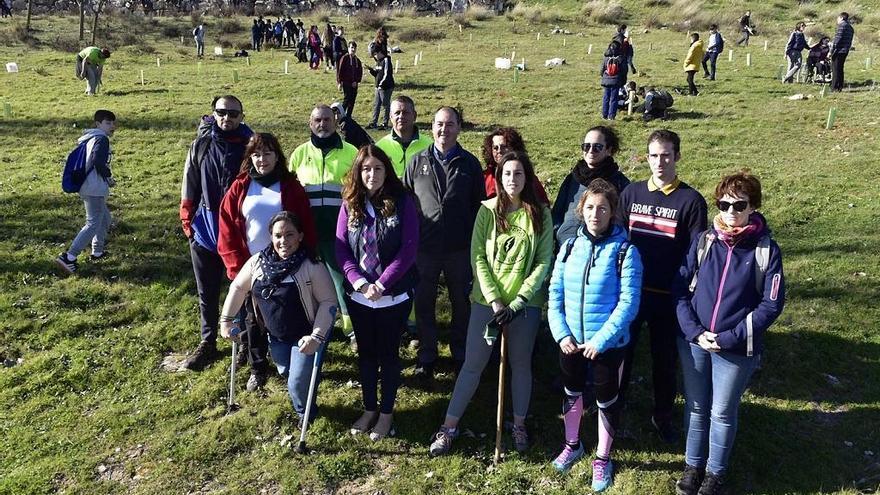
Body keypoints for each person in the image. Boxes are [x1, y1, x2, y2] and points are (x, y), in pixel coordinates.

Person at [429, 151, 553, 456]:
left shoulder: (541, 214)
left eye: (519, 174)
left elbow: (543, 261)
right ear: (499, 178)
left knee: (520, 365)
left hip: (525, 306)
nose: (513, 179)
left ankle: (519, 424)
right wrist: (496, 301)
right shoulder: (486, 212)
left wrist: (520, 300)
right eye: (507, 174)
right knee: (473, 364)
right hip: (488, 304)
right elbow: (478, 258)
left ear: (528, 178)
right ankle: (448, 426)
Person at [672, 172, 785, 495]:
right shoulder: (705, 241)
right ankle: (693, 467)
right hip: (695, 342)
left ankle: (714, 473)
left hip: (736, 349)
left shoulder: (766, 250)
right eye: (724, 204)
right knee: (695, 406)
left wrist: (729, 337)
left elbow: (771, 305)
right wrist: (694, 332)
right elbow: (679, 288)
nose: (731, 211)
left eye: (740, 205)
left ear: (753, 206)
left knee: (722, 411)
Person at [547, 179, 643, 492]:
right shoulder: (570, 246)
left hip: (608, 345)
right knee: (572, 393)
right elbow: (555, 291)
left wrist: (601, 341)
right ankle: (572, 445)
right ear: (581, 210)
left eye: (602, 208)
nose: (595, 214)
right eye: (589, 207)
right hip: (571, 341)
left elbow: (629, 304)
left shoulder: (626, 252)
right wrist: (561, 333)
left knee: (606, 401)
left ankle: (602, 458)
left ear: (613, 212)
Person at [618, 129, 707, 443]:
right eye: (654, 155)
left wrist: (681, 287)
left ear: (677, 156)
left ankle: (662, 415)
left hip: (669, 296)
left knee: (665, 360)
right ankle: (614, 408)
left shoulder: (691, 200)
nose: (660, 162)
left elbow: (696, 252)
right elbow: (619, 240)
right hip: (632, 293)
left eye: (666, 155)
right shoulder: (631, 193)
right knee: (622, 354)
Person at [217, 132, 318, 391]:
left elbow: (304, 222)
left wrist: (305, 256)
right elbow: (226, 227)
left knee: (286, 316)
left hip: (287, 264)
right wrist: (237, 267)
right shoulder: (240, 186)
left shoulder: (290, 186)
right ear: (250, 157)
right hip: (252, 266)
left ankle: (294, 360)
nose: (262, 159)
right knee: (253, 320)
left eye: (268, 153)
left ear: (277, 157)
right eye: (257, 154)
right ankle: (257, 367)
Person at [219, 211, 337, 427]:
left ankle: (306, 412)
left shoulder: (312, 265)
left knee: (296, 383)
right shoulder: (257, 263)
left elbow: (329, 302)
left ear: (300, 236)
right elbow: (237, 287)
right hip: (277, 336)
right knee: (285, 371)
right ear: (271, 237)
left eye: (290, 235)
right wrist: (226, 321)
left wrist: (317, 337)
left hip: (307, 335)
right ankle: (306, 384)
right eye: (278, 236)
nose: (284, 241)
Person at [335, 145, 419, 441]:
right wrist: (358, 282)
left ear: (387, 171)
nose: (372, 174)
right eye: (366, 169)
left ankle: (386, 414)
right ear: (358, 172)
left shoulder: (403, 200)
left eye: (378, 168)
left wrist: (382, 284)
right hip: (359, 297)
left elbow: (409, 248)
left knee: (388, 355)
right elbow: (341, 246)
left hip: (392, 296)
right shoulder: (350, 203)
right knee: (366, 356)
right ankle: (369, 408)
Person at [403, 107, 485, 380]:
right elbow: (406, 204)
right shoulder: (416, 162)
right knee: (424, 302)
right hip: (424, 248)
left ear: (459, 128)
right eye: (439, 124)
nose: (444, 129)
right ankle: (427, 354)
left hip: (459, 248)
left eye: (450, 124)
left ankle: (459, 352)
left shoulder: (470, 164)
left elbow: (478, 208)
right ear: (431, 128)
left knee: (461, 301)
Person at [179, 96, 254, 371]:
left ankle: (248, 340)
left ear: (241, 115)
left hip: (239, 230)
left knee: (244, 289)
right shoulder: (201, 145)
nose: (227, 118)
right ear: (214, 114)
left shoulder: (251, 146)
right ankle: (208, 341)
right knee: (207, 291)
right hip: (205, 230)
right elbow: (190, 182)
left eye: (233, 113)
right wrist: (188, 220)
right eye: (221, 112)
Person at [290, 105, 358, 342]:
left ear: (335, 122)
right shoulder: (299, 153)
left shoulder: (351, 152)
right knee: (308, 282)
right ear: (310, 123)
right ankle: (314, 328)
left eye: (328, 119)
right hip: (307, 233)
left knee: (343, 282)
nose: (323, 124)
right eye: (318, 120)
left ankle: (352, 330)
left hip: (339, 232)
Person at [55, 110, 117, 274]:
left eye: (113, 123)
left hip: (89, 186)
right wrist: (108, 176)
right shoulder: (101, 139)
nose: (112, 126)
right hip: (93, 188)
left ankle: (97, 252)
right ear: (98, 124)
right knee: (93, 223)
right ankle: (69, 257)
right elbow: (97, 161)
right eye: (108, 123)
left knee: (104, 219)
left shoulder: (91, 138)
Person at [551, 126, 630, 247]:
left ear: (609, 150)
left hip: (600, 253)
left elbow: (623, 221)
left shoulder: (620, 183)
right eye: (586, 146)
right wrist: (558, 234)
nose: (591, 151)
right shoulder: (572, 179)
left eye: (597, 147)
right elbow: (557, 212)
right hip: (565, 249)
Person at [480, 127, 549, 204]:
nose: (499, 151)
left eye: (504, 146)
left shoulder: (528, 177)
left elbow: (543, 206)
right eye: (495, 148)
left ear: (514, 148)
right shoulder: (485, 178)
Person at [375, 96, 433, 177]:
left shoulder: (430, 146)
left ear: (414, 116)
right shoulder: (379, 148)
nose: (401, 116)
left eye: (405, 112)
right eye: (397, 113)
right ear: (390, 117)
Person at [366, 49, 394, 130]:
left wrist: (381, 84)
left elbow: (386, 74)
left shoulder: (386, 60)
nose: (375, 56)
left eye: (375, 54)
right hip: (378, 87)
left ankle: (385, 123)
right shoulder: (378, 61)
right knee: (376, 105)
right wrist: (371, 71)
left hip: (386, 87)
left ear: (379, 52)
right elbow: (377, 74)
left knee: (385, 104)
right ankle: (374, 122)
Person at [599, 40, 627, 120]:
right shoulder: (621, 58)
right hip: (616, 80)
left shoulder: (606, 58)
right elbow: (624, 71)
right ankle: (611, 116)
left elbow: (602, 70)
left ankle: (604, 115)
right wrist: (623, 81)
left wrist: (604, 77)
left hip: (606, 80)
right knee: (614, 98)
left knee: (606, 97)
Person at [336, 41, 364, 119]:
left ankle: (348, 116)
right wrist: (339, 82)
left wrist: (357, 81)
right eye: (351, 47)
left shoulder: (357, 60)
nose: (353, 49)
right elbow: (340, 71)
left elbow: (359, 72)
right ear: (348, 48)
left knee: (352, 101)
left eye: (354, 48)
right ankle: (340, 115)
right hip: (346, 82)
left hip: (354, 84)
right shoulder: (345, 58)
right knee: (347, 99)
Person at [830, 12, 854, 92]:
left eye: (838, 18)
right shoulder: (850, 28)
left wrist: (831, 50)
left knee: (835, 69)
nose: (837, 20)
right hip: (845, 50)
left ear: (841, 18)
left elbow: (837, 39)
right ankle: (840, 87)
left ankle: (834, 88)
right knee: (840, 69)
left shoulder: (841, 26)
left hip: (839, 50)